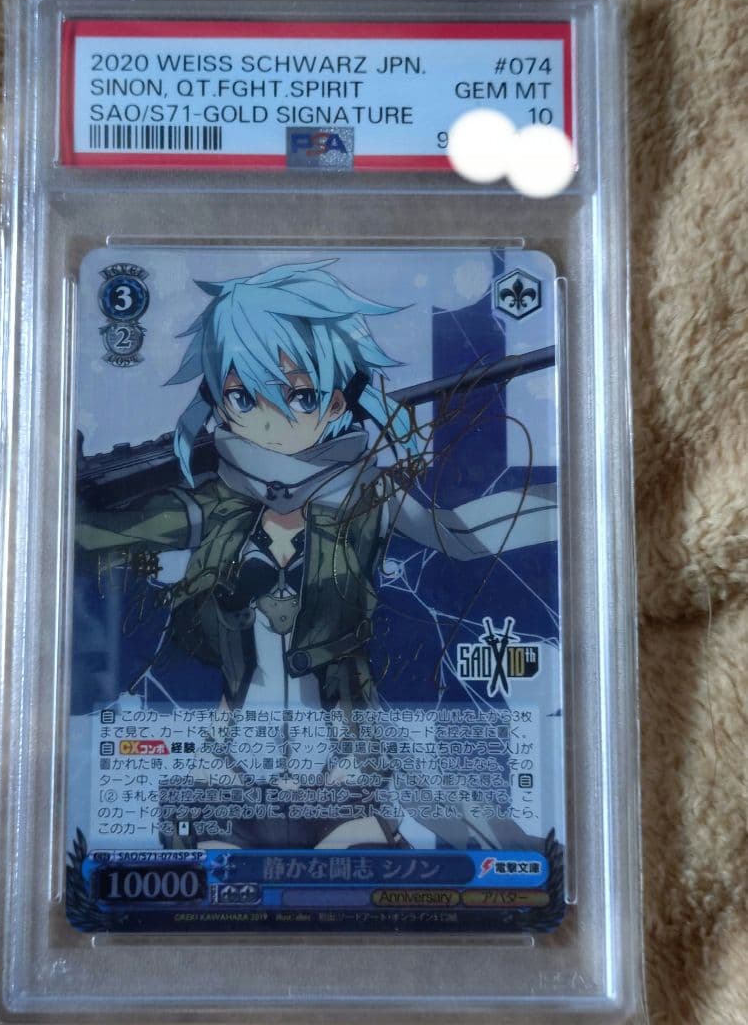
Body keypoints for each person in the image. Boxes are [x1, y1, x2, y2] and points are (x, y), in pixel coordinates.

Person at [76, 259, 557, 849]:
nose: (271, 420)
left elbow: (459, 535)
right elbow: (104, 534)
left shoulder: (366, 497)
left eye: (301, 396)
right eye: (243, 397)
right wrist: (59, 497)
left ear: (336, 405)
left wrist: (579, 497)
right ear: (220, 403)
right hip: (230, 770)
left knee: (364, 865)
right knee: (214, 881)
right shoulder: (214, 506)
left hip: (342, 769)